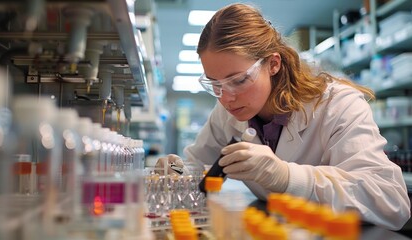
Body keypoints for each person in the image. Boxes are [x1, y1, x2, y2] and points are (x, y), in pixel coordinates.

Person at [156, 3, 411, 230]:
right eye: (215, 84)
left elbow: (390, 202)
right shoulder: (227, 112)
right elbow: (196, 168)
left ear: (273, 64)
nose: (226, 98)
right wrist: (177, 170)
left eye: (239, 80)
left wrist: (288, 177)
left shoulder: (337, 105)